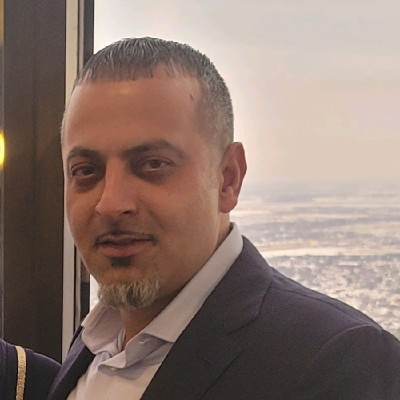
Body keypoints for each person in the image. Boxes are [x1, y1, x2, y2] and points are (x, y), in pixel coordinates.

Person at [48, 37, 400, 399]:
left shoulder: (337, 361)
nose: (111, 203)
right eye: (86, 170)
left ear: (228, 178)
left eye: (152, 164)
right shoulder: (94, 343)